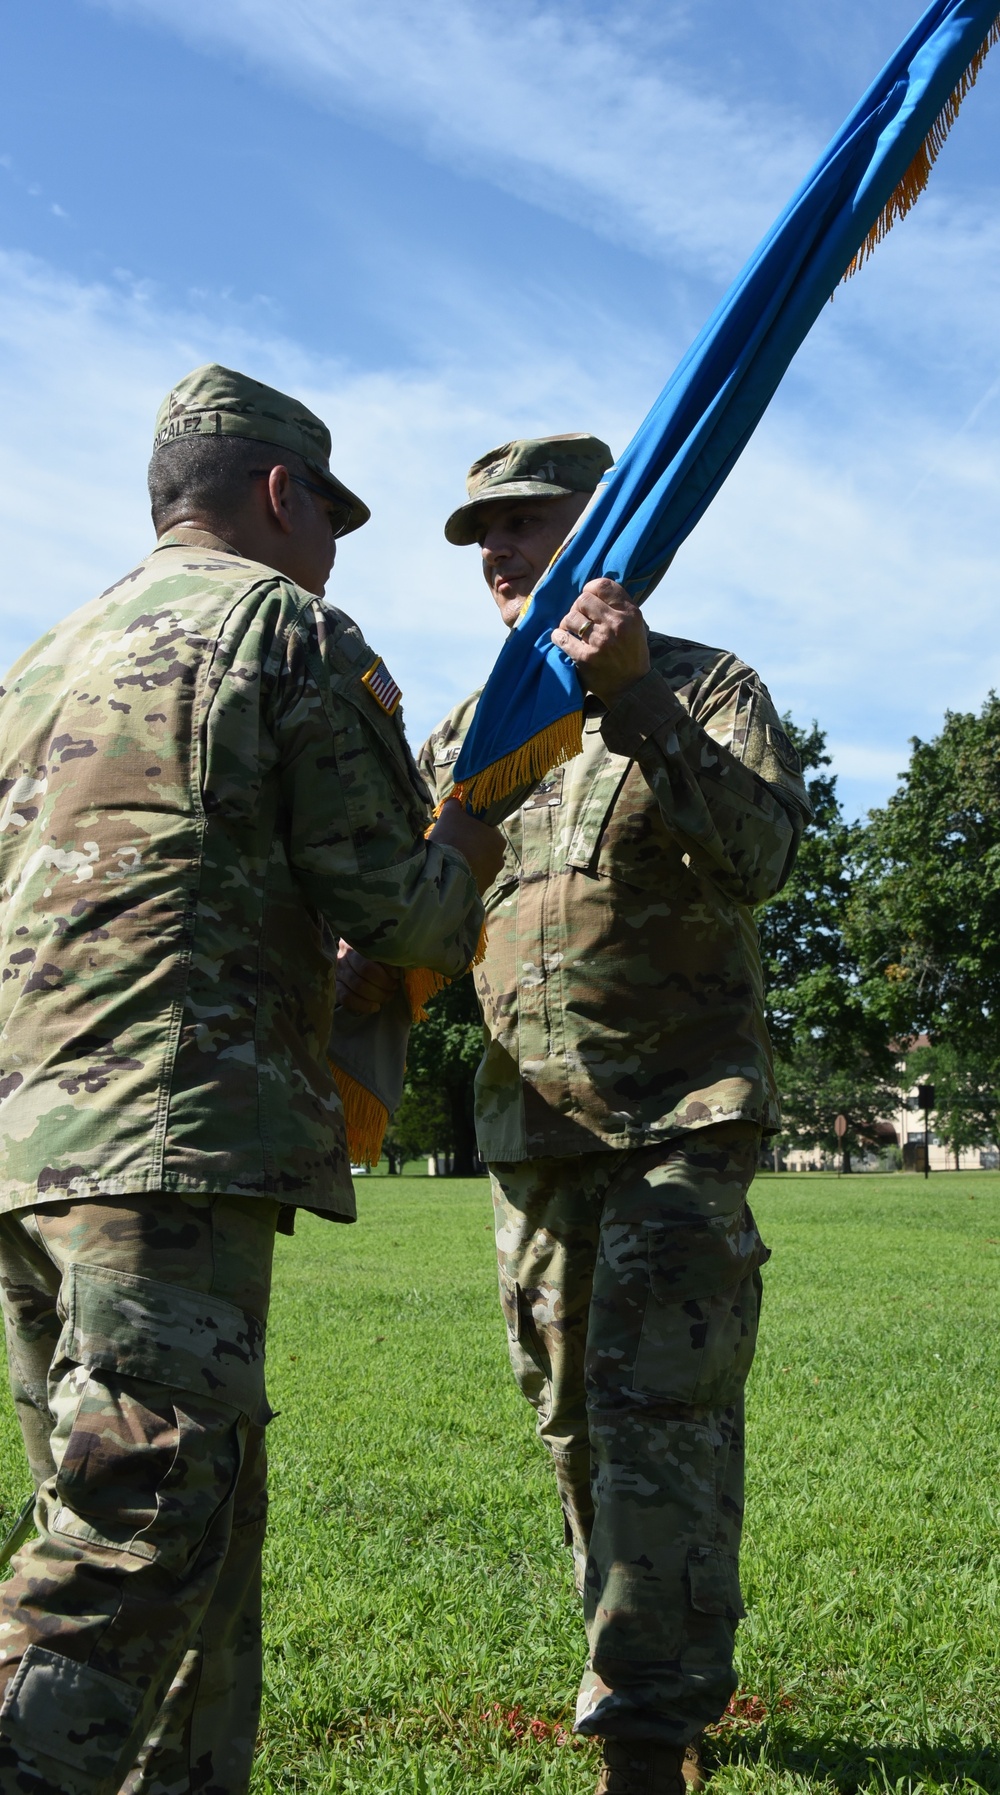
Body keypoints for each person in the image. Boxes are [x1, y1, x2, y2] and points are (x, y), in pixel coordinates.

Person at [0, 364, 502, 1795]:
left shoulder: (42, 657)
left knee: (174, 1518)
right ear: (280, 495)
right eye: (328, 513)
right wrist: (462, 845)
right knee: (143, 1519)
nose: (334, 546)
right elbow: (396, 907)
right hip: (170, 1136)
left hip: (31, 1145)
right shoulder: (285, 628)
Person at [343, 433, 810, 1795]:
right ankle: (650, 1667)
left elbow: (766, 857)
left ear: (605, 526)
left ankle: (645, 1731)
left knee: (663, 1416)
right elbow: (414, 914)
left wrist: (638, 708)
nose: (494, 553)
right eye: (479, 534)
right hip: (526, 1134)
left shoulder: (705, 684)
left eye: (521, 524)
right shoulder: (472, 734)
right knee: (579, 1429)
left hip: (676, 1121)